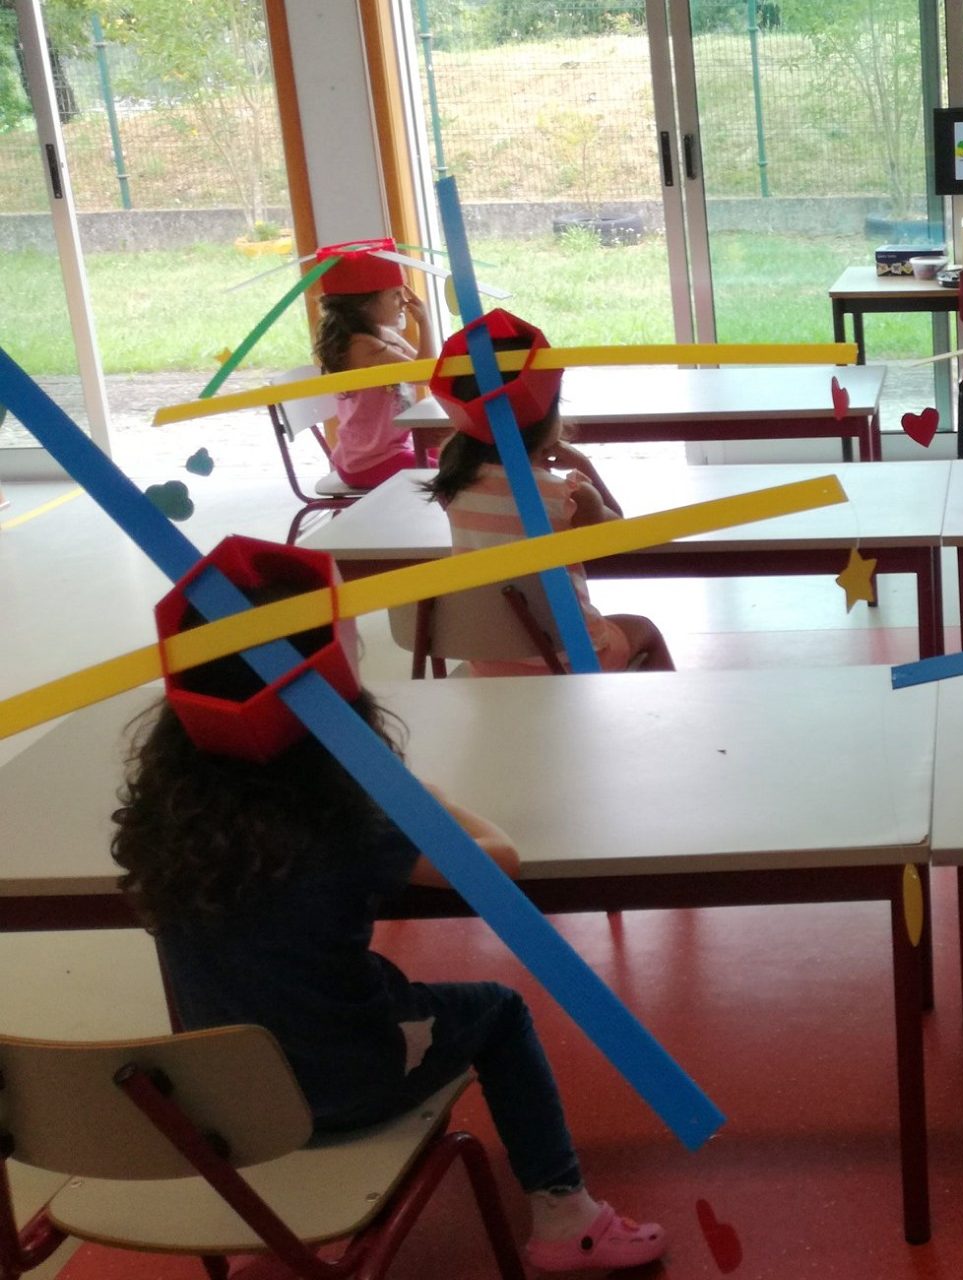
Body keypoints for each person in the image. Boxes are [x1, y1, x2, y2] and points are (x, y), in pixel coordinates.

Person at [110, 540, 666, 1273]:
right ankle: (566, 1216)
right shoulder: (348, 814)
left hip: (228, 1104)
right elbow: (497, 861)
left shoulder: (164, 817)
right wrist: (429, 800)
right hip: (343, 1082)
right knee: (499, 1011)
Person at [420, 309, 673, 676]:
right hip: (571, 660)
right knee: (644, 629)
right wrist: (585, 467)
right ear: (549, 419)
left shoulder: (452, 481)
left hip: (489, 660)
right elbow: (621, 534)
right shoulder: (569, 496)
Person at [314, 244, 431, 490]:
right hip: (368, 462)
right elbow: (427, 374)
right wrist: (424, 322)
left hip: (389, 451)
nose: (403, 302)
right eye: (395, 295)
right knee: (453, 473)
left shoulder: (380, 335)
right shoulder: (362, 346)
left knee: (455, 455)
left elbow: (428, 368)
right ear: (365, 304)